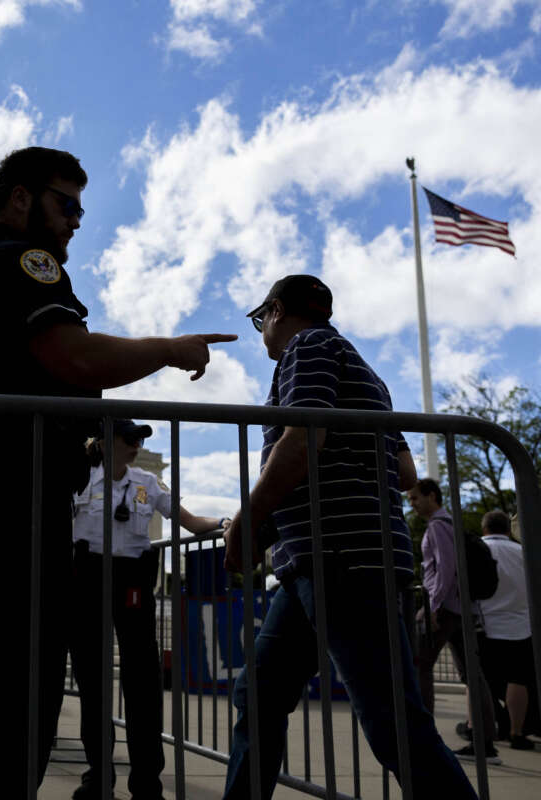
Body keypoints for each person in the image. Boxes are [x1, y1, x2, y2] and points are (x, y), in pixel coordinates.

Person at [0, 146, 235, 799]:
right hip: (9, 507)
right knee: (11, 705)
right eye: (66, 204)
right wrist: (170, 350)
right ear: (19, 199)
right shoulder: (22, 261)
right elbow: (74, 356)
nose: (76, 220)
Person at [220, 274, 476, 798]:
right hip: (312, 563)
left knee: (394, 726)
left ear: (275, 310)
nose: (261, 331)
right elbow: (405, 473)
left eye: (259, 319)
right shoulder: (366, 373)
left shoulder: (308, 346)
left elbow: (304, 437)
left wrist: (248, 519)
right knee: (260, 691)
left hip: (341, 559)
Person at [69, 419, 225, 799]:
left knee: (143, 683)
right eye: (129, 437)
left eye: (140, 438)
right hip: (87, 575)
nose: (136, 444)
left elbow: (188, 520)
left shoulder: (148, 483)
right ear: (105, 443)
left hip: (133, 579)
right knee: (92, 679)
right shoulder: (78, 477)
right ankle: (98, 775)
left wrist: (223, 522)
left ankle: (146, 782)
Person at [406, 477, 499, 762]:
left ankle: (423, 740)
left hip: (444, 609)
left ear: (432, 496)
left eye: (415, 498)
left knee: (420, 667)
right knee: (471, 674)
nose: (413, 504)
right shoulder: (451, 525)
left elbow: (446, 569)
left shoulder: (437, 527)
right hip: (462, 609)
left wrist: (432, 607)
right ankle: (485, 742)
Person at [476, 510, 536, 751]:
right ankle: (516, 731)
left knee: (483, 682)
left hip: (487, 623)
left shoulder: (479, 549)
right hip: (521, 625)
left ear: (484, 528)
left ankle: (489, 727)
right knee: (518, 679)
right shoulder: (523, 552)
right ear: (508, 530)